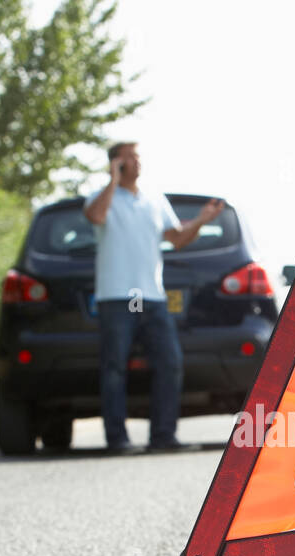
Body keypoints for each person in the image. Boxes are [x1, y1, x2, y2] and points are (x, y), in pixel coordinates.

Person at [83, 142, 224, 452]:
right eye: (129, 157)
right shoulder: (101, 198)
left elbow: (177, 239)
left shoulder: (154, 200)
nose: (137, 162)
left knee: (170, 363)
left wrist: (201, 220)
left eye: (138, 156)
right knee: (114, 368)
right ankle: (116, 439)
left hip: (153, 297)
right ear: (116, 162)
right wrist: (112, 181)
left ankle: (163, 436)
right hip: (115, 297)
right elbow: (95, 217)